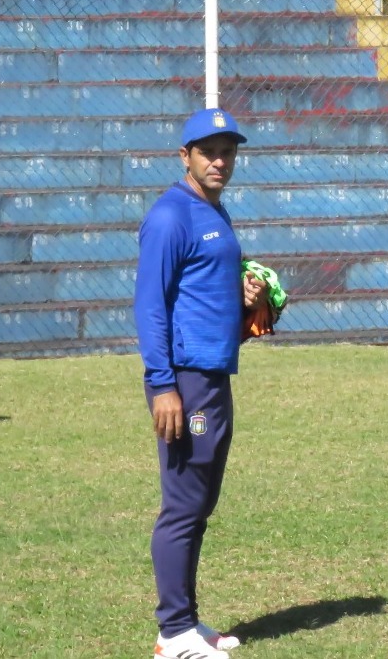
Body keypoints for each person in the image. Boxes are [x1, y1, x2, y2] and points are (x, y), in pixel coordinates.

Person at [134, 108, 269, 659]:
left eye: (228, 151)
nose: (220, 160)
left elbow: (202, 287)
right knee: (184, 502)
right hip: (185, 381)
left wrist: (244, 297)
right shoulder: (170, 216)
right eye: (208, 151)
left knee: (201, 500)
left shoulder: (214, 209)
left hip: (212, 374)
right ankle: (173, 632)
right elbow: (150, 306)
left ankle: (187, 621)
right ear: (184, 156)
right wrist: (163, 385)